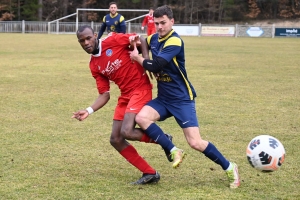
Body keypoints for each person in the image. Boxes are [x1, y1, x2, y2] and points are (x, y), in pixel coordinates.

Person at [129, 5, 240, 189]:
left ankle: (229, 167)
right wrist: (135, 41)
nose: (160, 27)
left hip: (182, 99)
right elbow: (143, 40)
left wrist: (139, 58)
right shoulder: (155, 38)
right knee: (141, 117)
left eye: (163, 23)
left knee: (195, 142)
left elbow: (156, 65)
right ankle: (173, 149)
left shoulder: (175, 41)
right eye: (156, 23)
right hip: (164, 99)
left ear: (172, 21)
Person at [73, 25, 173, 185]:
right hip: (125, 95)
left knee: (126, 131)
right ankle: (150, 172)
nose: (86, 43)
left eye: (88, 38)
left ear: (95, 35)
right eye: (81, 41)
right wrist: (88, 110)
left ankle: (164, 140)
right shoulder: (94, 65)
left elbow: (140, 39)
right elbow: (104, 94)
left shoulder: (113, 40)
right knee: (116, 139)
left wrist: (147, 61)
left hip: (140, 88)